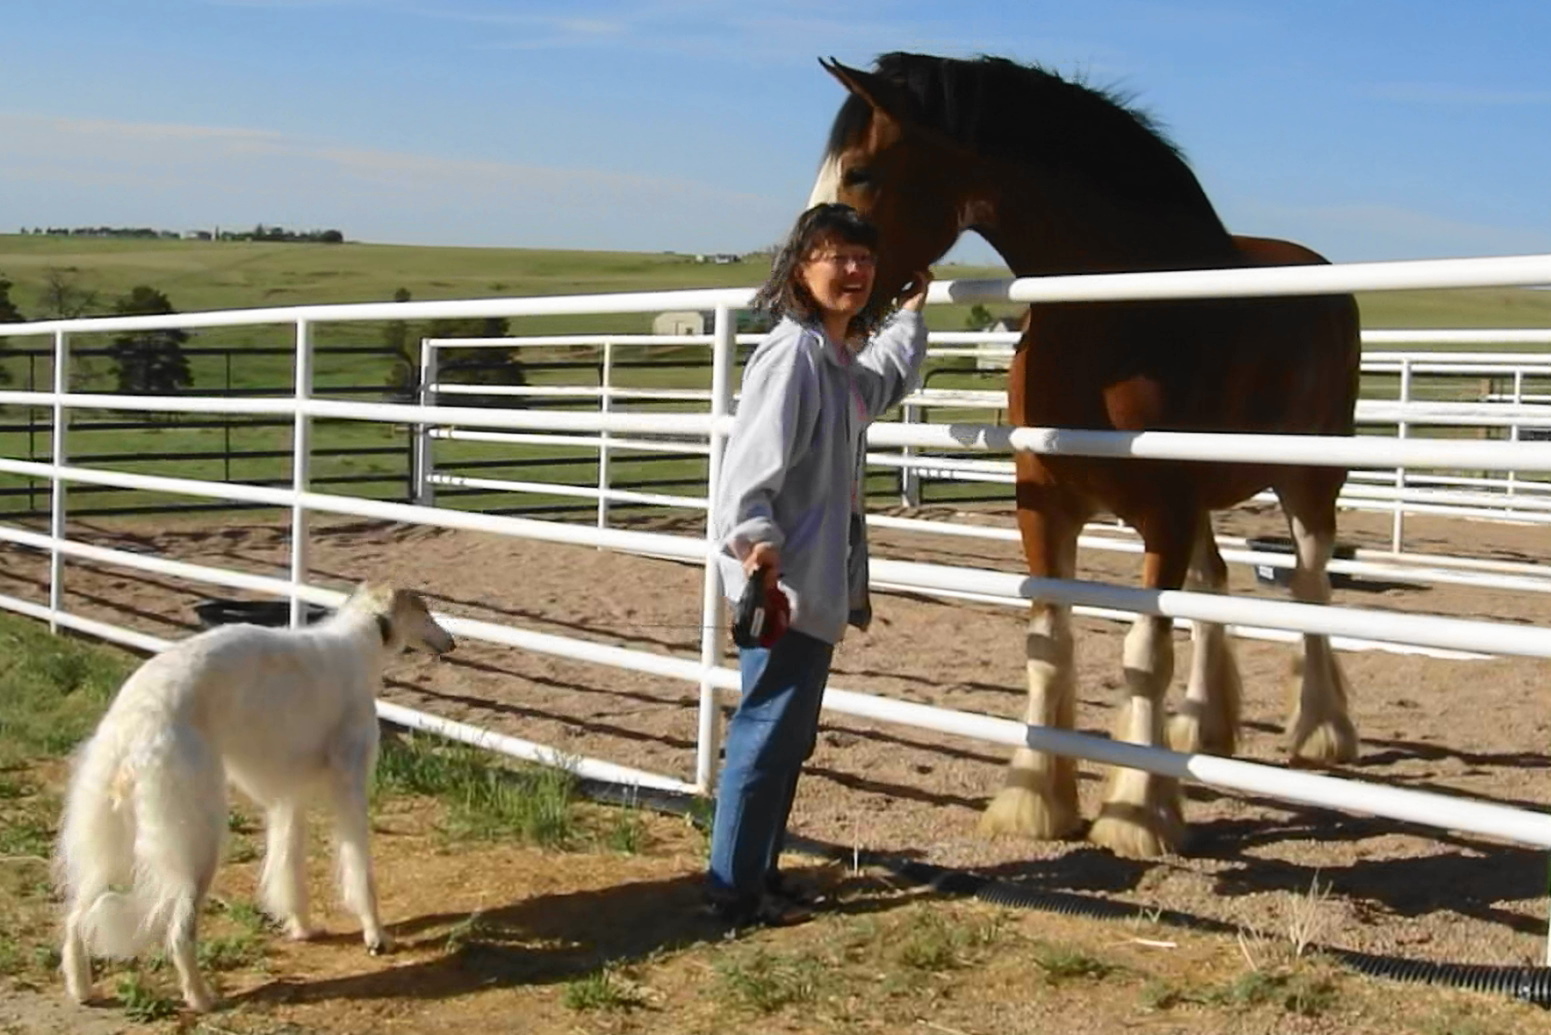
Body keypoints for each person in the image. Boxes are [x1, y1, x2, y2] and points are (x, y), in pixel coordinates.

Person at [705, 202, 932, 927]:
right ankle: (733, 891)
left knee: (785, 737)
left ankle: (757, 875)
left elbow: (880, 384)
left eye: (865, 258)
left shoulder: (831, 362)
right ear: (800, 268)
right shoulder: (794, 355)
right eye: (838, 256)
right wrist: (755, 547)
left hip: (809, 583)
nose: (856, 270)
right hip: (782, 583)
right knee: (767, 733)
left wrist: (909, 316)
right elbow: (746, 474)